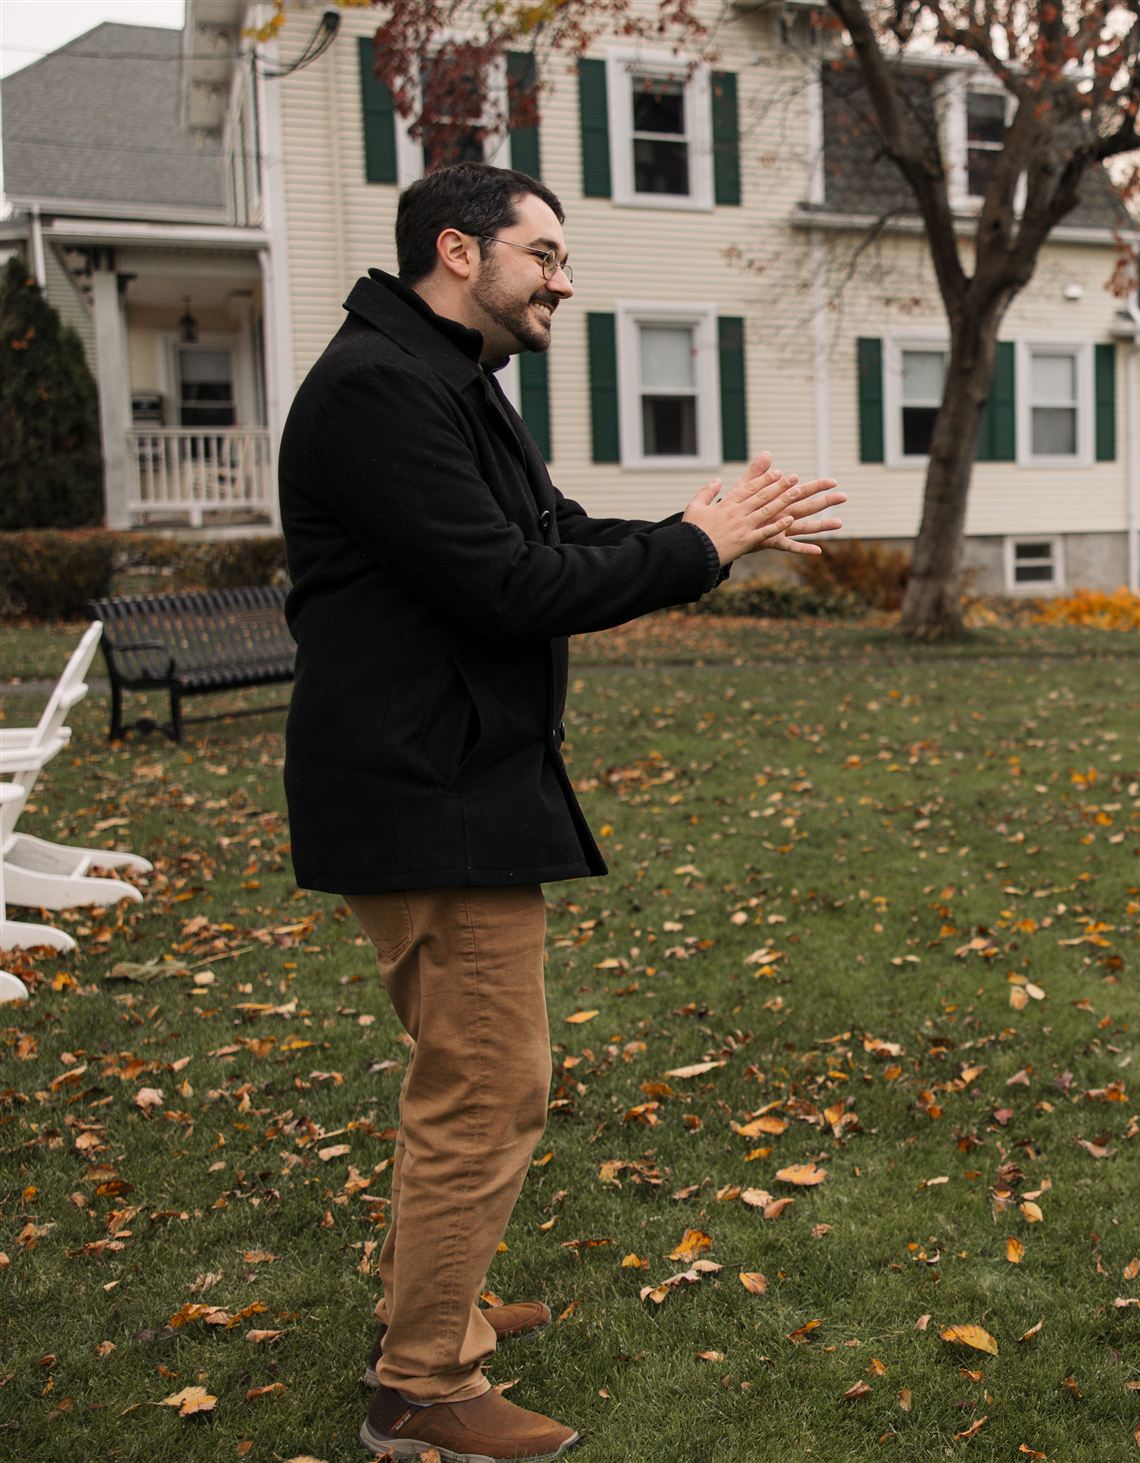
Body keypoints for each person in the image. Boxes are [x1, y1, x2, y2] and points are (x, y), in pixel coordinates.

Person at [278, 162, 845, 1461]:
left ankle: (443, 1303)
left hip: (458, 781)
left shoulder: (442, 380)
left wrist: (698, 531)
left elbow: (555, 531)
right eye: (545, 254)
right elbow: (506, 582)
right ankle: (423, 1380)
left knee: (472, 1073)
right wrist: (702, 545)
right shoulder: (381, 390)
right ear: (460, 251)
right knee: (485, 1084)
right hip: (429, 794)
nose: (565, 279)